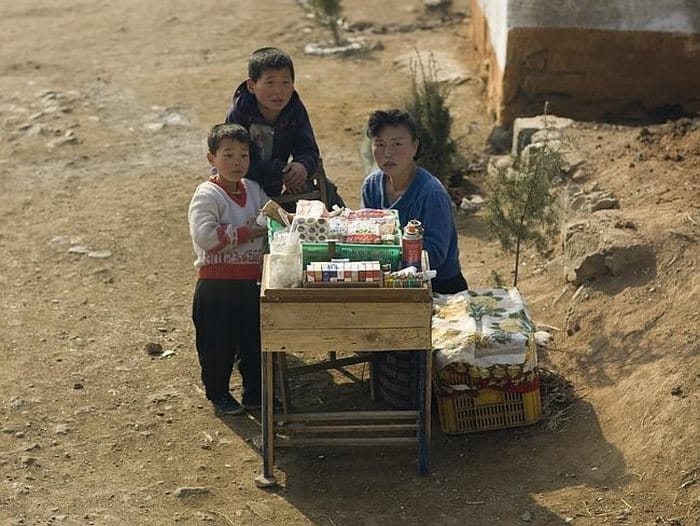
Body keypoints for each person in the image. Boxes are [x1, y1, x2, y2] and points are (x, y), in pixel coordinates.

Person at [188, 123, 268, 415]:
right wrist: (248, 232)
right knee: (217, 345)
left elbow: (270, 216)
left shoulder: (254, 190)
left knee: (252, 340)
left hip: (250, 283)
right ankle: (218, 394)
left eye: (244, 156)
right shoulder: (207, 195)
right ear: (212, 159)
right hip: (216, 285)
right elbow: (207, 237)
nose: (237, 163)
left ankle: (254, 393)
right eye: (228, 155)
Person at [361, 108, 468, 294]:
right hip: (390, 283)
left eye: (396, 144)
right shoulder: (371, 186)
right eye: (379, 144)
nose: (387, 154)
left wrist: (388, 248)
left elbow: (435, 255)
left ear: (415, 146)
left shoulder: (431, 194)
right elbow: (364, 234)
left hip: (439, 286)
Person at [225, 46, 344, 209]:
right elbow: (235, 162)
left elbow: (308, 148)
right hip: (243, 182)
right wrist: (281, 171)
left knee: (326, 191)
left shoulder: (294, 110)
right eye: (270, 82)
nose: (278, 91)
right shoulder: (239, 115)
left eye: (285, 82)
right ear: (252, 85)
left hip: (280, 182)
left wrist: (301, 166)